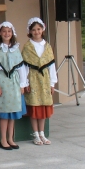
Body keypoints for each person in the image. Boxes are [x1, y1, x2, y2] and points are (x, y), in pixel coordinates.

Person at [0, 21, 27, 150]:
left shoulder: (15, 47)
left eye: (9, 31)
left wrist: (22, 84)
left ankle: (11, 138)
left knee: (13, 113)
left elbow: (21, 67)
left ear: (12, 33)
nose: (6, 33)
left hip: (14, 83)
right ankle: (3, 139)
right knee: (5, 113)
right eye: (4, 31)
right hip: (2, 81)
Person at [23, 17, 57, 145]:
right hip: (32, 78)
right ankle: (35, 134)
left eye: (38, 29)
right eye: (34, 30)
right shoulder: (27, 47)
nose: (36, 32)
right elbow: (25, 66)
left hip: (44, 79)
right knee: (34, 106)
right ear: (30, 31)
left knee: (42, 106)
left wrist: (52, 83)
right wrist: (25, 83)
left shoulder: (47, 46)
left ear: (42, 29)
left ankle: (42, 133)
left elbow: (51, 65)